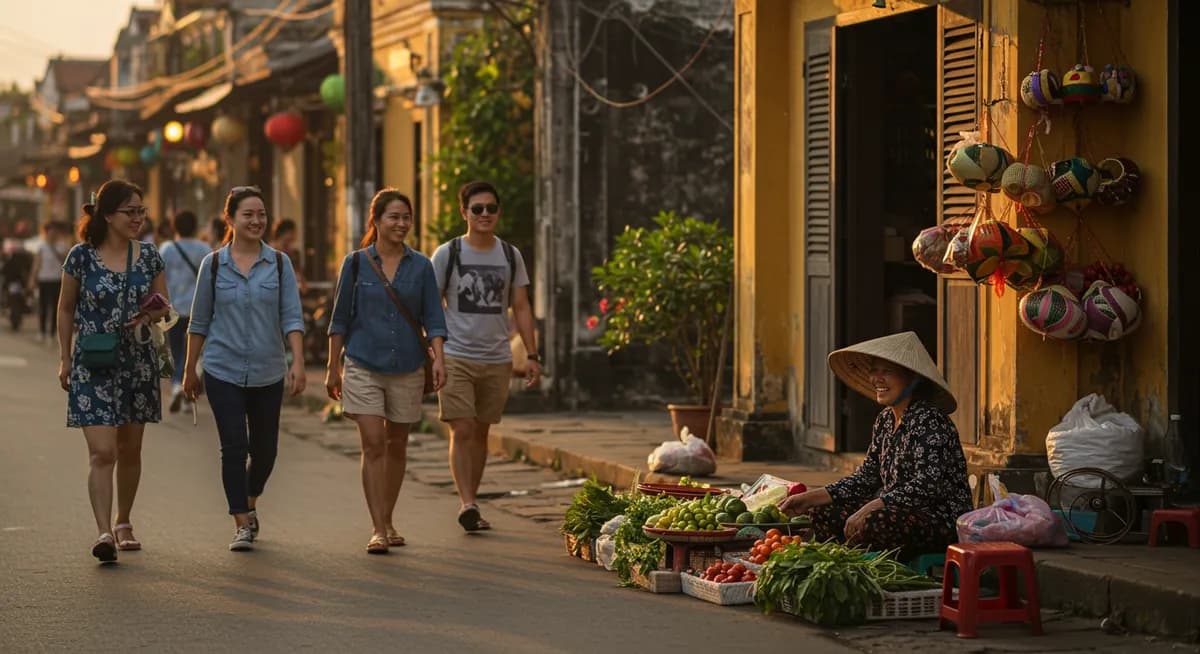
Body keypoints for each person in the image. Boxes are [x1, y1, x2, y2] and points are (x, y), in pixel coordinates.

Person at [183, 185, 306, 552]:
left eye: (261, 215)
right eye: (248, 215)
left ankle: (250, 501)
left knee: (265, 451)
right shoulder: (214, 264)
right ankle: (240, 522)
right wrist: (190, 368)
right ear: (230, 219)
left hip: (269, 369)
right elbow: (199, 319)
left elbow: (292, 317)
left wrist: (297, 361)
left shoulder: (280, 264)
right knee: (234, 447)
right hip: (222, 368)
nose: (256, 221)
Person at [325, 189, 447, 553]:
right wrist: (333, 368)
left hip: (408, 365)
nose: (401, 224)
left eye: (406, 217)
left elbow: (434, 319)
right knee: (373, 443)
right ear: (375, 221)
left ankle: (388, 517)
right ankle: (378, 528)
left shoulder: (421, 266)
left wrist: (438, 359)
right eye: (394, 217)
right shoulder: (357, 263)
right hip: (362, 363)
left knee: (397, 444)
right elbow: (339, 319)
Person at [778, 331, 973, 560]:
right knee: (822, 511)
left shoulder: (931, 420)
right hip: (896, 510)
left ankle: (867, 567)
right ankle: (846, 566)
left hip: (939, 519)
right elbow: (865, 478)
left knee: (874, 521)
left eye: (887, 371)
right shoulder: (885, 420)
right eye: (874, 370)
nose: (877, 379)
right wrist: (809, 498)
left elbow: (928, 486)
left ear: (912, 378)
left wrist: (871, 506)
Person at [57, 180, 172, 563]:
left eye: (141, 211)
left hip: (137, 362)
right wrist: (64, 357)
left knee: (130, 448)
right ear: (108, 215)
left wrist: (148, 313)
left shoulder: (150, 256)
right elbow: (65, 308)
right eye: (131, 212)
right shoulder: (80, 257)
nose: (139, 218)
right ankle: (104, 530)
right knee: (102, 452)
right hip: (93, 363)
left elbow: (164, 307)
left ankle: (124, 521)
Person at [432, 180, 541, 532]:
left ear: (498, 212)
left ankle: (472, 501)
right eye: (476, 209)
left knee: (480, 432)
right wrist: (434, 353)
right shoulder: (448, 254)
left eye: (490, 208)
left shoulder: (510, 255)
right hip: (455, 354)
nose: (484, 215)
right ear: (464, 212)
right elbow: (431, 306)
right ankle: (467, 502)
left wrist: (533, 354)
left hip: (497, 358)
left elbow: (521, 306)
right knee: (461, 428)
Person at [158, 211, 211, 412]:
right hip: (197, 310)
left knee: (177, 350)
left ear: (175, 227)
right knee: (193, 354)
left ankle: (178, 385)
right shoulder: (204, 249)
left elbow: (159, 277)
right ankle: (186, 392)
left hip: (173, 309)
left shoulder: (167, 249)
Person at [29, 221, 69, 342]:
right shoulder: (41, 247)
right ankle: (42, 331)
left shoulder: (62, 246)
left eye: (54, 231)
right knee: (43, 306)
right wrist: (32, 278)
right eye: (49, 231)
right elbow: (37, 264)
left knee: (56, 307)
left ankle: (51, 333)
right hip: (44, 280)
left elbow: (66, 262)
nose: (52, 234)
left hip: (57, 280)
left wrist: (56, 249)